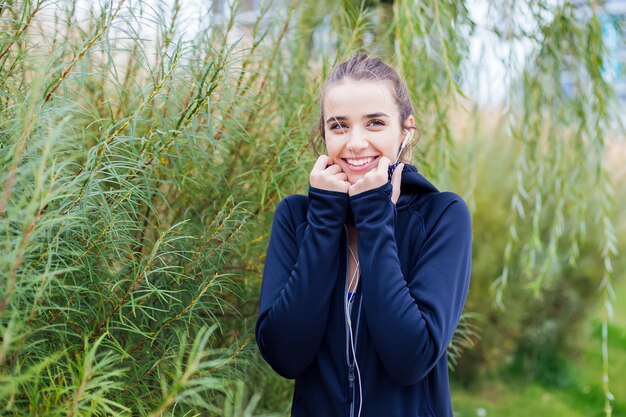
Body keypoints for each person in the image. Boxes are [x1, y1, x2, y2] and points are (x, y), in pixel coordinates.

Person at [255, 53, 472, 417]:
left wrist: (375, 215)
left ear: (406, 130)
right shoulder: (296, 218)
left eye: (374, 123)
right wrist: (324, 220)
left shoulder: (442, 217)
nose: (355, 143)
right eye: (339, 126)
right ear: (323, 134)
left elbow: (410, 358)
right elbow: (285, 356)